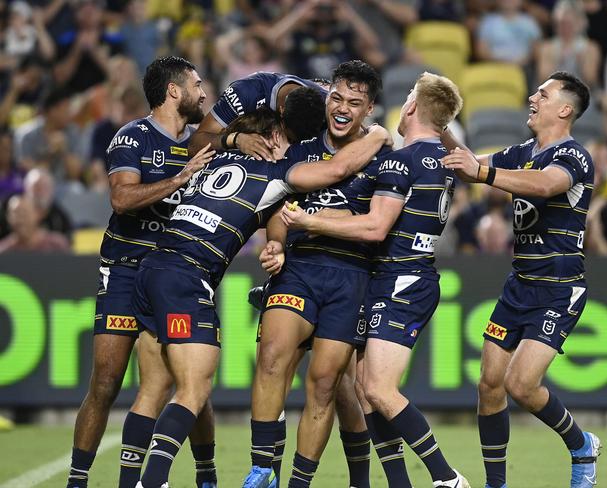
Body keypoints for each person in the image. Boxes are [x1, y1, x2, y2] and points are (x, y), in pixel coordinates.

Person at [130, 107, 392, 488]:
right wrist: (377, 137)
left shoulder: (213, 158)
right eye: (285, 140)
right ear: (269, 139)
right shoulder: (273, 170)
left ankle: (199, 477)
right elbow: (335, 171)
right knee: (195, 388)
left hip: (152, 268)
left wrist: (274, 243)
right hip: (187, 275)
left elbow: (204, 142)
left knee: (158, 386)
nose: (292, 147)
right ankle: (151, 481)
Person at [280, 72, 469, 488]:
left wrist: (311, 221)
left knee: (380, 390)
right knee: (365, 390)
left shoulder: (403, 160)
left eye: (408, 98)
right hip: (399, 277)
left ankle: (446, 479)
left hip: (402, 278)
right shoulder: (448, 158)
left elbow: (375, 228)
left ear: (413, 108)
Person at [440, 71, 600, 488]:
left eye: (542, 94)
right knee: (490, 384)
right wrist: (438, 128)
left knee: (521, 384)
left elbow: (546, 185)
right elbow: (473, 165)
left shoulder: (574, 157)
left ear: (564, 109)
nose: (532, 97)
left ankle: (581, 444)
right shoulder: (525, 151)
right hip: (520, 285)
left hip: (560, 289)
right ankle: (497, 485)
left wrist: (484, 174)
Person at [65, 56, 217, 488]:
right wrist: (179, 178)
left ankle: (206, 474)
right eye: (197, 84)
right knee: (107, 380)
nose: (203, 93)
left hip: (175, 275)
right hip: (126, 270)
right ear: (174, 91)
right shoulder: (131, 137)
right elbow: (122, 199)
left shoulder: (204, 142)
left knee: (189, 380)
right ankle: (78, 480)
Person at [243, 60, 388, 488]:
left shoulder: (386, 158)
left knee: (325, 383)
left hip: (352, 276)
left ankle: (299, 482)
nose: (342, 109)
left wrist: (322, 216)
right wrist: (274, 244)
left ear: (369, 108)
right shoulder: (300, 147)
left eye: (354, 103)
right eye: (337, 98)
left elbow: (379, 223)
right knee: (272, 355)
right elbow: (276, 213)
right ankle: (262, 469)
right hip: (299, 268)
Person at [188, 71, 328, 160]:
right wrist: (235, 139)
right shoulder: (246, 93)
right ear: (281, 110)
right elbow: (194, 145)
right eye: (290, 138)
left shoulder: (332, 108)